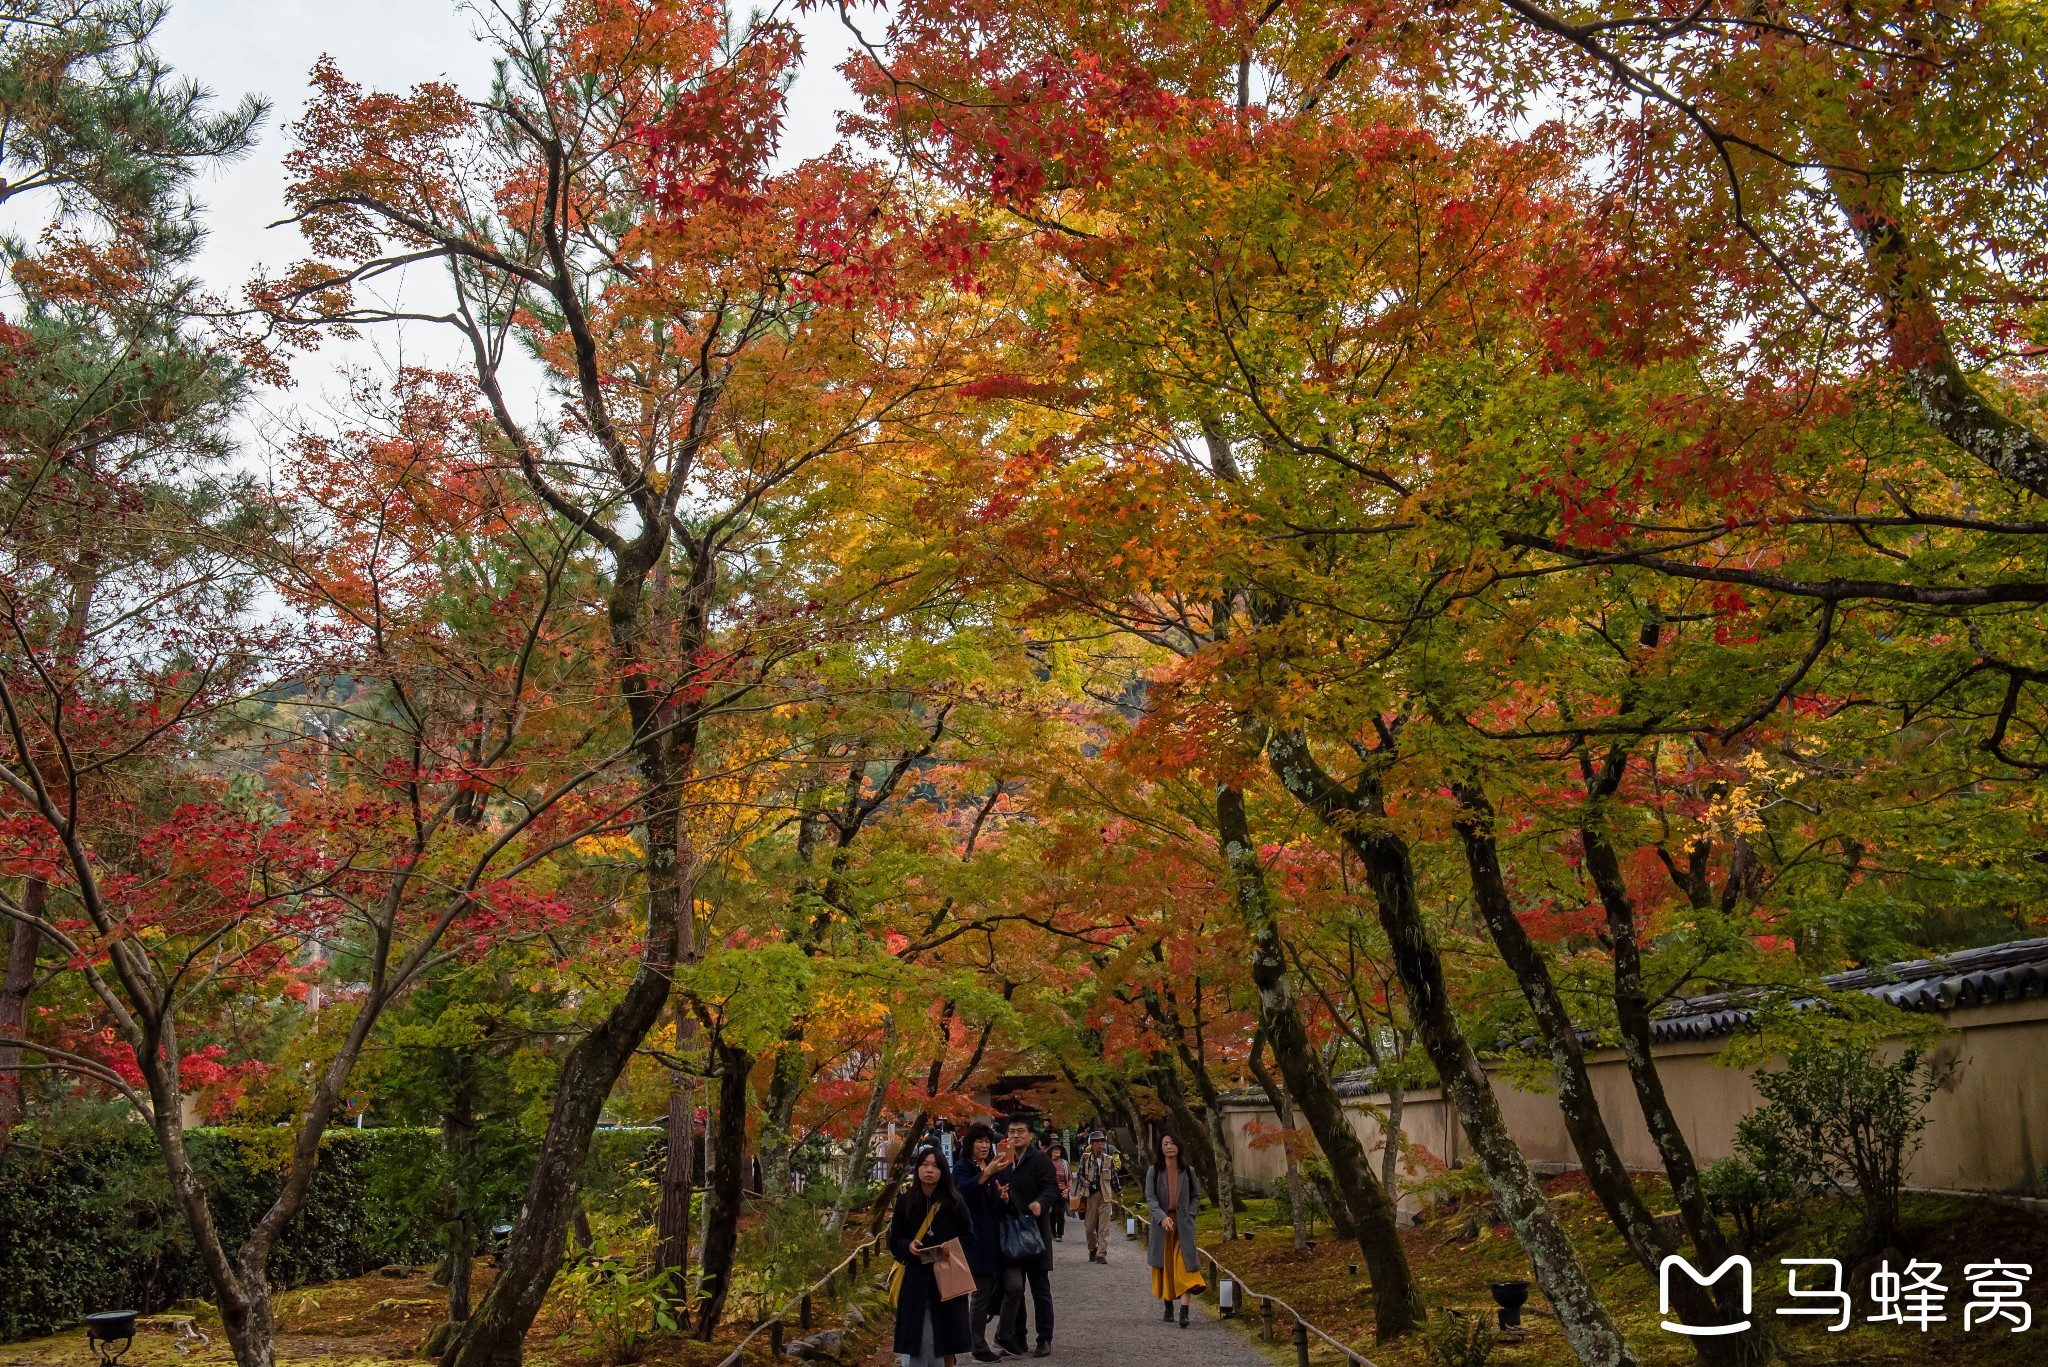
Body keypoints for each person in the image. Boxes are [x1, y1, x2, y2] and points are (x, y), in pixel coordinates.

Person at [890, 1147, 977, 1367]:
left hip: (946, 1279)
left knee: (946, 1339)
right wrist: (907, 1246)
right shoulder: (905, 1202)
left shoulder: (954, 1202)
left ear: (943, 1171)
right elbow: (894, 1240)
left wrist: (952, 1247)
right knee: (920, 1335)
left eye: (935, 1166)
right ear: (917, 1168)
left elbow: (969, 1237)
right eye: (924, 1164)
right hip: (916, 1278)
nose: (929, 1170)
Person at [993, 1114, 1058, 1358]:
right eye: (1012, 1132)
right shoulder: (1003, 1161)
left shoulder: (1040, 1159)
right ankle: (1017, 1336)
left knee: (1040, 1288)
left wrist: (1040, 1203)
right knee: (1015, 1288)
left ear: (1030, 1134)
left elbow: (1051, 1187)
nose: (1016, 1135)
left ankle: (1044, 1338)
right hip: (1011, 1233)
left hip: (1036, 1233)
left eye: (1020, 1131)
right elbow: (997, 1188)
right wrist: (1003, 1198)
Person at [951, 1123, 1007, 1363]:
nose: (984, 1146)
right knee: (977, 1292)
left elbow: (989, 1204)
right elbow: (960, 1192)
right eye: (979, 1141)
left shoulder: (989, 1167)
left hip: (990, 1239)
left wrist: (1002, 1197)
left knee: (985, 1291)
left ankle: (977, 1341)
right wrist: (984, 1175)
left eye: (987, 1141)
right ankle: (977, 1345)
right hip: (972, 1240)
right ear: (969, 1144)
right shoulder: (963, 1167)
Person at [1145, 1130, 1206, 1328]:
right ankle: (1168, 1306)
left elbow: (1197, 1196)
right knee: (1165, 1265)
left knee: (1184, 1265)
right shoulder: (1154, 1171)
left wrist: (1190, 1213)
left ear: (1178, 1146)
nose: (1169, 1147)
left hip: (1183, 1225)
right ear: (1160, 1148)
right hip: (1161, 1225)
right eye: (1165, 1143)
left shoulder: (1188, 1171)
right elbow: (1151, 1198)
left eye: (1172, 1143)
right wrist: (1162, 1218)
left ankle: (1184, 1311)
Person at [1076, 1131, 1117, 1264]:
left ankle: (1101, 1254)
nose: (1100, 1144)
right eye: (1097, 1142)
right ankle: (1092, 1248)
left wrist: (1120, 1193)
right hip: (1090, 1196)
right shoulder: (1085, 1158)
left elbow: (1114, 1179)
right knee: (1089, 1227)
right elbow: (1080, 1175)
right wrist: (1084, 1182)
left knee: (1104, 1227)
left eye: (1102, 1142)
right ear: (1092, 1144)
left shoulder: (1108, 1159)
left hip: (1105, 1195)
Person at [1049, 1139, 1070, 1241]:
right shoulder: (1047, 1162)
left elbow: (1069, 1178)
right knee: (1051, 1213)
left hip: (1062, 1191)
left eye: (1059, 1149)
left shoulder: (1065, 1163)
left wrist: (1068, 1189)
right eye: (1055, 1149)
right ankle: (1052, 1232)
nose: (1057, 1151)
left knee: (1060, 1213)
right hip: (1049, 1191)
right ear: (1051, 1151)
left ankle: (1059, 1234)